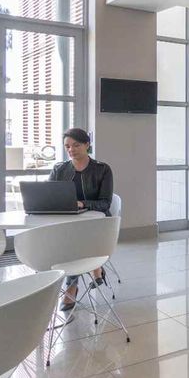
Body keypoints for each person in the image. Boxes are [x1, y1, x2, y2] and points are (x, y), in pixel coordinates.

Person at [49, 127, 114, 311]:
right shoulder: (59, 169)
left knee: (74, 239)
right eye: (67, 146)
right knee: (69, 236)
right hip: (68, 222)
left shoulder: (102, 169)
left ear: (87, 144)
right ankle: (95, 268)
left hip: (96, 224)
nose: (71, 149)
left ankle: (71, 287)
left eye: (76, 145)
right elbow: (49, 195)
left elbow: (105, 203)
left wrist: (81, 204)